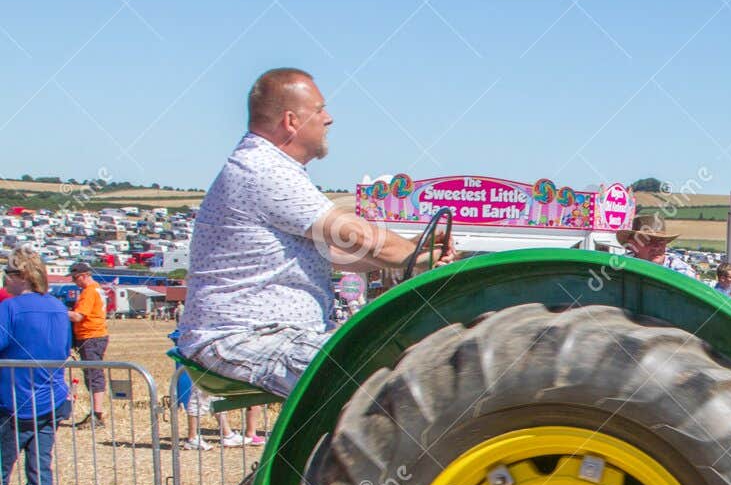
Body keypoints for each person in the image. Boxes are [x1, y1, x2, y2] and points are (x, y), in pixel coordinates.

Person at [176, 68, 449, 398]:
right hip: (243, 336)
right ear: (291, 121)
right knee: (380, 377)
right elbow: (360, 237)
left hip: (274, 333)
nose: (328, 118)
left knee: (391, 358)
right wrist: (413, 251)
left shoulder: (272, 168)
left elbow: (339, 252)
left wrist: (415, 253)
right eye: (319, 110)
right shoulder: (264, 170)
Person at [0, 248, 72, 485]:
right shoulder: (58, 308)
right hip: (51, 400)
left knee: (3, 467)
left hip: (12, 402)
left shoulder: (9, 308)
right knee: (40, 469)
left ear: (21, 276)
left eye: (7, 273)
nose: (5, 278)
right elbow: (63, 350)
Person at [65, 261, 109, 426]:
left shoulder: (89, 292)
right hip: (93, 336)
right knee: (92, 373)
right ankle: (95, 413)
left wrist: (58, 311)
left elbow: (78, 316)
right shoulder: (96, 289)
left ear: (84, 275)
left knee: (93, 374)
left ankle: (97, 414)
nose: (74, 282)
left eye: (75, 278)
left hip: (91, 336)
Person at [616, 212, 697, 277]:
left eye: (661, 241)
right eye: (649, 241)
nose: (657, 247)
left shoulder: (681, 271)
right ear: (633, 245)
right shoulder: (620, 265)